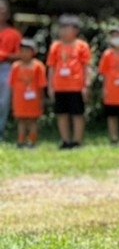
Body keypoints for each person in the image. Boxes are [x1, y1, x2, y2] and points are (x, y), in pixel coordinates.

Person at [47, 14, 92, 150]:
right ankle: (65, 140)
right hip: (60, 86)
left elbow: (86, 67)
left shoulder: (82, 46)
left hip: (76, 86)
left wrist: (86, 85)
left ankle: (77, 141)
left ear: (76, 30)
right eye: (61, 28)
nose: (63, 31)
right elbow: (51, 67)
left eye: (67, 28)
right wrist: (50, 86)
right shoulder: (55, 46)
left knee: (77, 114)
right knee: (62, 114)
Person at [10, 40, 44, 148]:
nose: (24, 54)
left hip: (33, 98)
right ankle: (21, 141)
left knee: (32, 120)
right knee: (21, 120)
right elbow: (12, 84)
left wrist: (41, 100)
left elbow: (41, 84)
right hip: (19, 98)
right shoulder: (15, 66)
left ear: (33, 52)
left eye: (27, 51)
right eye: (22, 51)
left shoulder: (38, 66)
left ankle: (33, 141)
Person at [0, 0, 21, 141]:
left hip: (6, 68)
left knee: (3, 102)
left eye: (3, 10)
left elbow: (21, 55)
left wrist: (4, 56)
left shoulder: (14, 34)